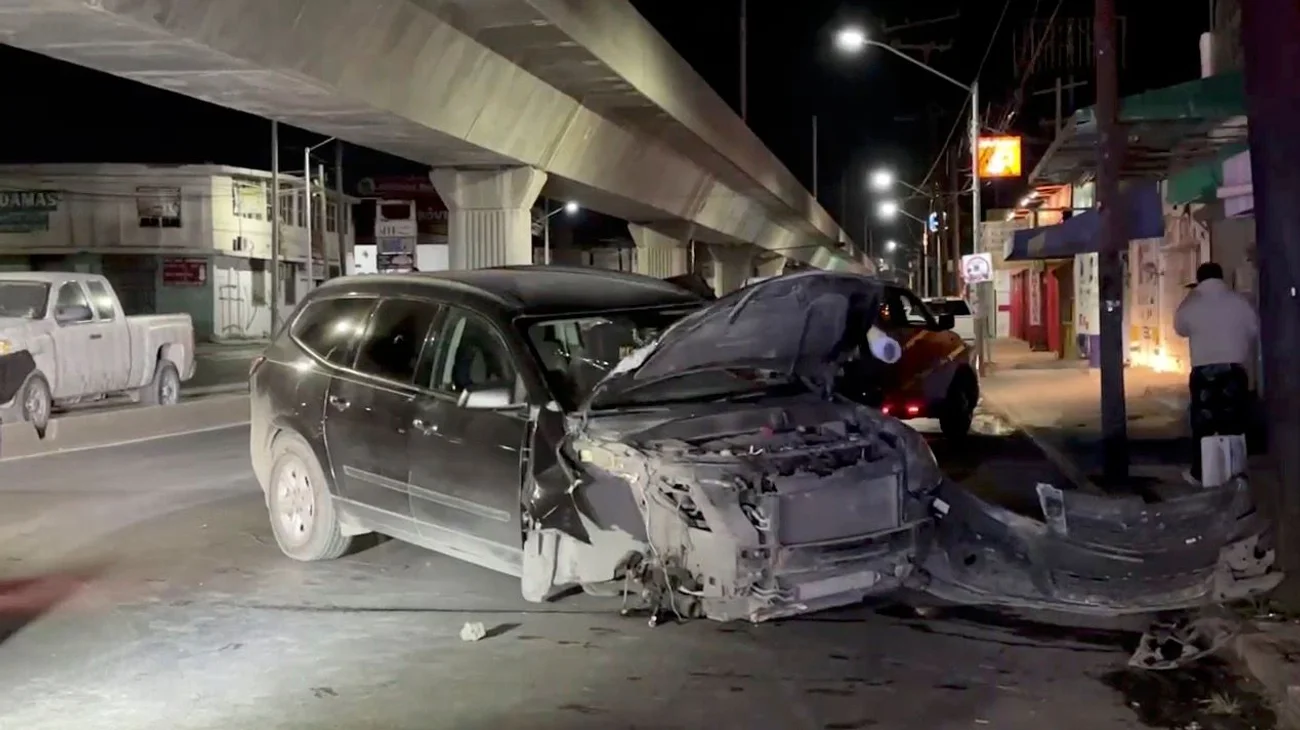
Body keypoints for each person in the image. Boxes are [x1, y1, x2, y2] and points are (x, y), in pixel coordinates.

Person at [1173, 261, 1259, 485]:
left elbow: (1179, 328)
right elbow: (1253, 329)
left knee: (1204, 424)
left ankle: (1201, 473)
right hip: (1233, 370)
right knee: (1236, 421)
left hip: (1204, 372)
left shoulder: (1192, 304)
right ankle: (1238, 472)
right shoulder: (1239, 301)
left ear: (1199, 280)